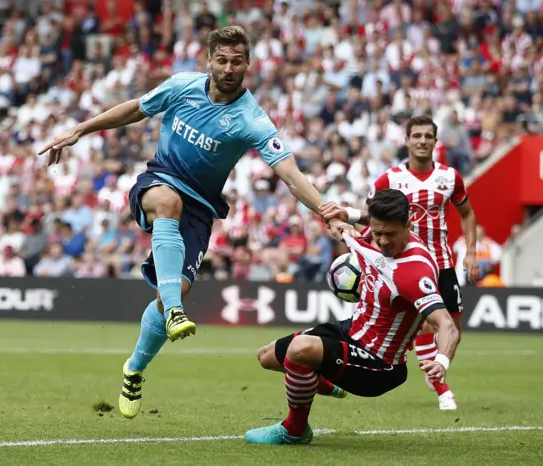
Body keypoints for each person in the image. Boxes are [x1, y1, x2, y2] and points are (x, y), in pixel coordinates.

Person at [38, 26, 354, 419]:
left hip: (200, 209)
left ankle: (134, 367)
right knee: (166, 204)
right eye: (221, 60)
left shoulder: (252, 119)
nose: (228, 68)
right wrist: (79, 130)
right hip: (158, 182)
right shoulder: (182, 86)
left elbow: (290, 175)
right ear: (209, 60)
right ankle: (173, 311)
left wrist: (326, 211)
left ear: (248, 65)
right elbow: (136, 108)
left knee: (176, 288)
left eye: (237, 61)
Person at [245, 189, 460, 445]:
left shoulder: (414, 271)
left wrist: (442, 361)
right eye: (377, 232)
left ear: (408, 225)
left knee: (300, 350)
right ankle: (320, 380)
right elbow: (366, 223)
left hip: (381, 364)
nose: (381, 241)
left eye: (390, 234)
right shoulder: (375, 233)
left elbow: (447, 325)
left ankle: (295, 429)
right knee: (266, 356)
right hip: (351, 331)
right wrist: (347, 215)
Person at [319, 115, 479, 411]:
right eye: (416, 135)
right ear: (406, 140)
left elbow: (467, 213)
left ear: (435, 140)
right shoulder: (389, 179)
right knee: (425, 325)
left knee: (451, 327)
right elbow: (375, 217)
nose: (421, 141)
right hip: (402, 264)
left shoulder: (450, 177)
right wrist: (351, 220)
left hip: (441, 264)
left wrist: (471, 252)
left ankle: (437, 370)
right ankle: (441, 387)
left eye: (427, 136)